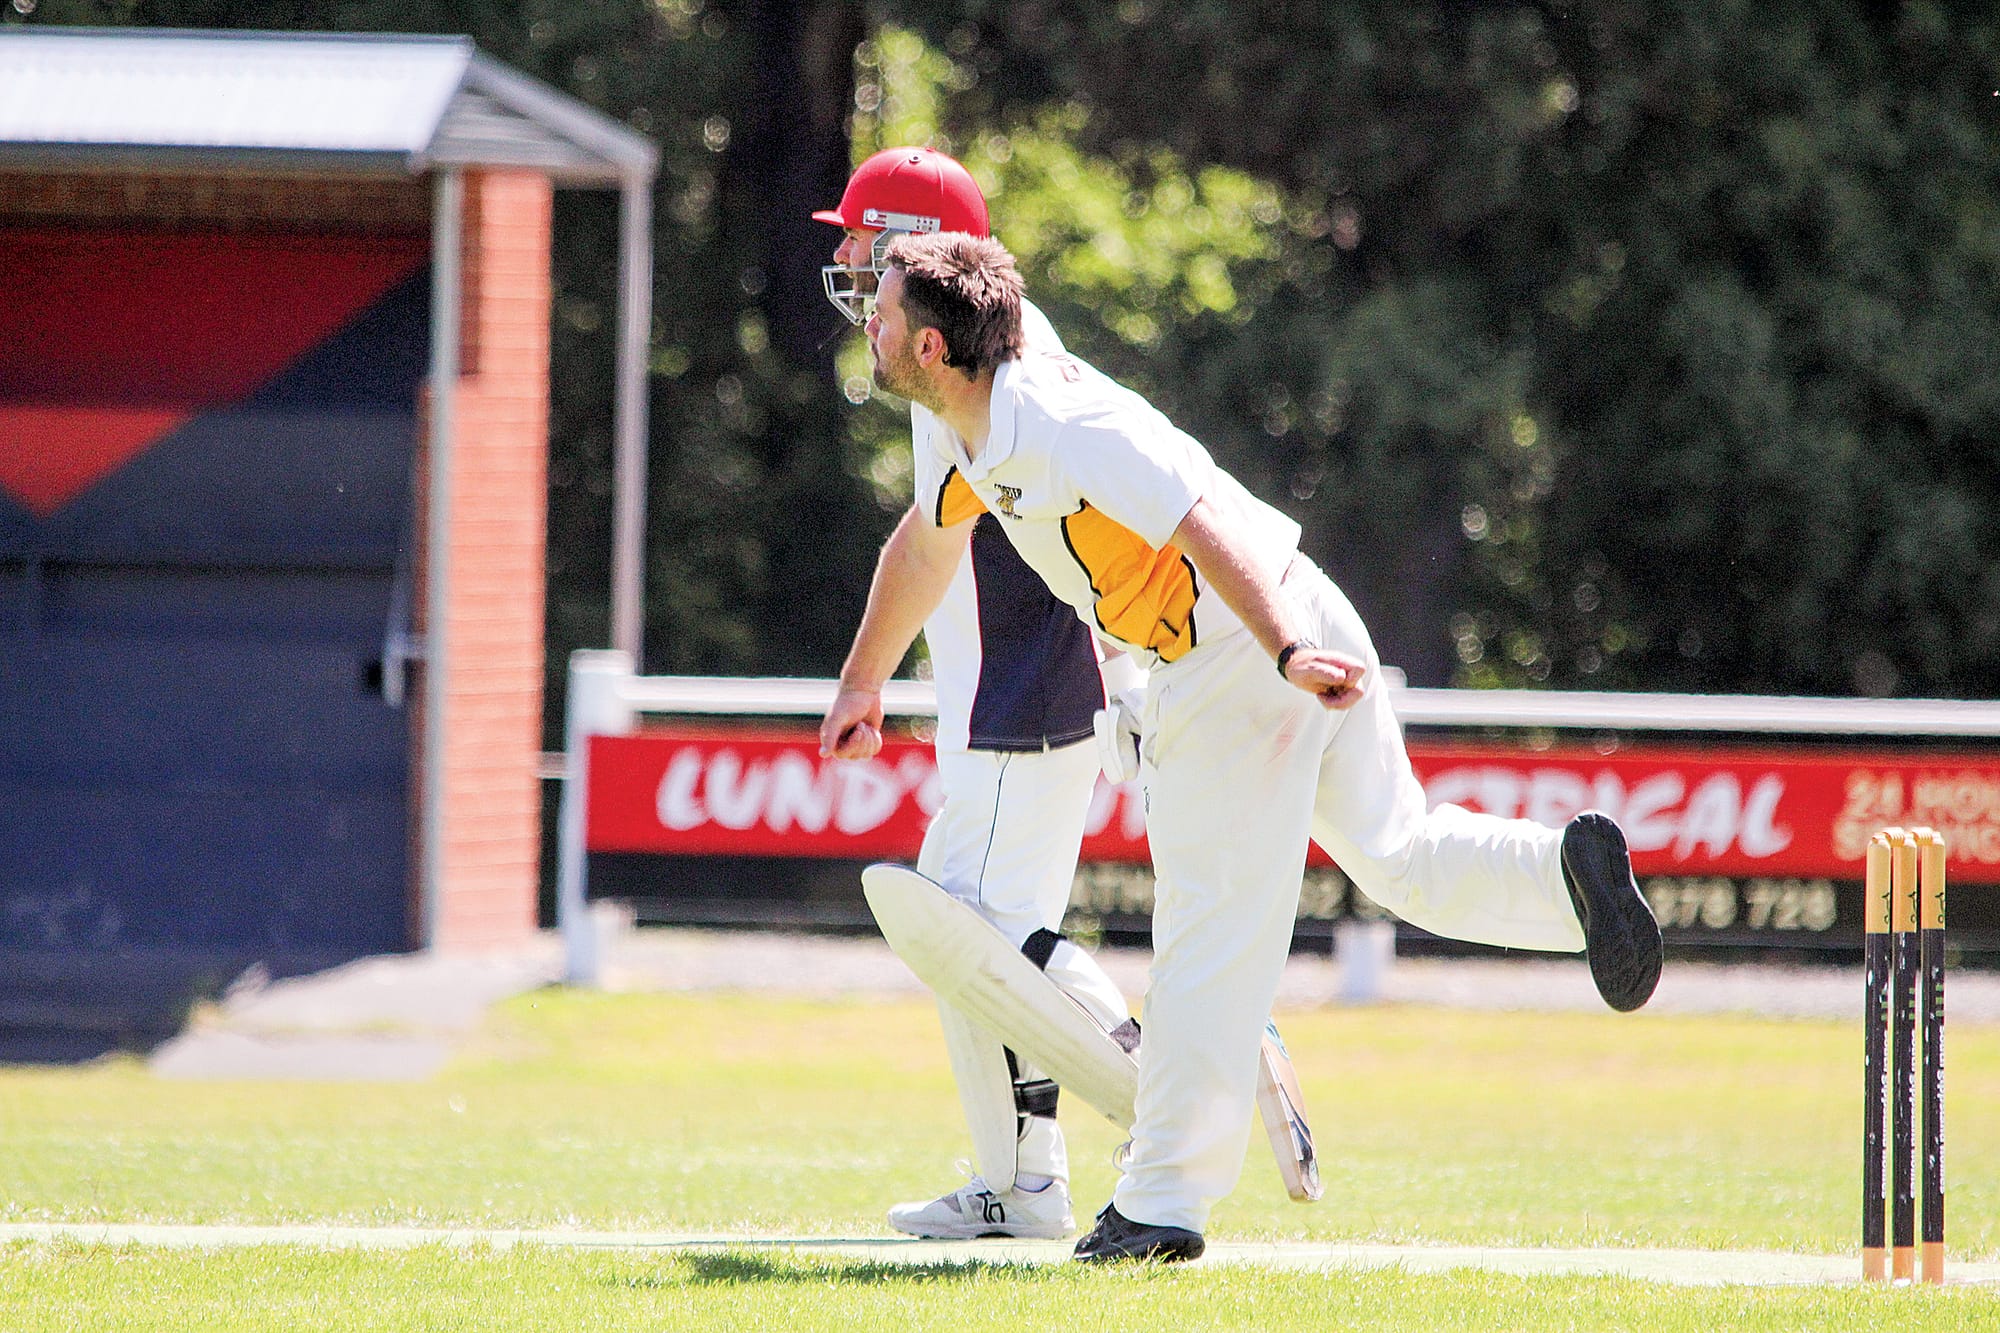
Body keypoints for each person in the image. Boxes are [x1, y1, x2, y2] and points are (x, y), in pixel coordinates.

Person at [820, 231, 1664, 1264]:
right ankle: (1562, 878)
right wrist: (863, 680)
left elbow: (1196, 511)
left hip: (1239, 647)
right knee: (1398, 853)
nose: (872, 322)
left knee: (1203, 940)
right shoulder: (966, 428)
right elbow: (925, 541)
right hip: (1285, 621)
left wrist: (1283, 649)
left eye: (888, 309)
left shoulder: (1058, 421)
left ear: (938, 346)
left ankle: (1158, 1208)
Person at [810, 147, 1136, 1241]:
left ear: (913, 244)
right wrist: (872, 674)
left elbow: (952, 547)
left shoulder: (983, 363)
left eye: (865, 239)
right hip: (1007, 688)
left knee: (969, 928)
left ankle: (1190, 1071)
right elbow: (932, 532)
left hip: (1025, 683)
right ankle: (1023, 1182)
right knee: (977, 936)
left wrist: (871, 675)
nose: (849, 260)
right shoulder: (947, 347)